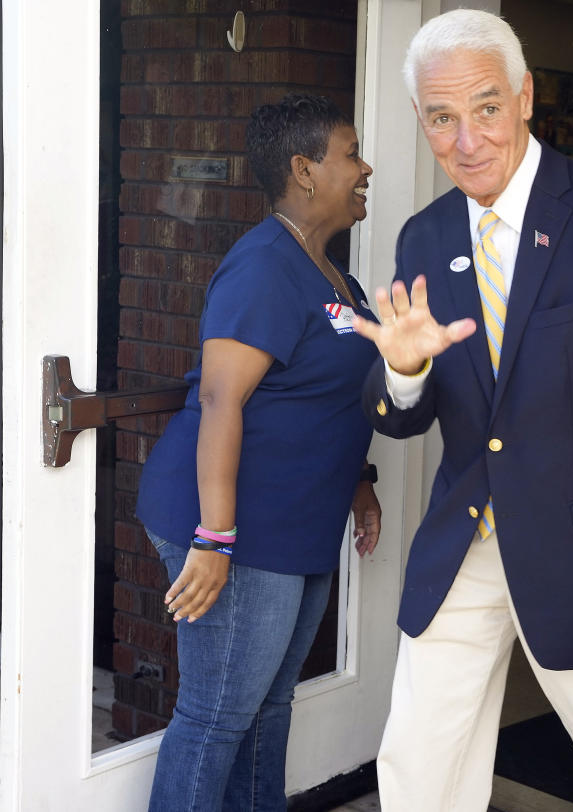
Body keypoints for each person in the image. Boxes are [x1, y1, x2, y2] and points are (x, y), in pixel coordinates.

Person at [351, 9, 573, 812]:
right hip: (465, 546)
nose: (466, 139)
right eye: (443, 118)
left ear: (525, 98)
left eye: (484, 107)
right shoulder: (424, 236)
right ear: (422, 123)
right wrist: (402, 370)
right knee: (417, 768)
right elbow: (402, 415)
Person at [136, 94, 381, 812]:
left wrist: (360, 481)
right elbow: (221, 400)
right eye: (351, 153)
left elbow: (327, 393)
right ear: (305, 170)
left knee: (269, 708)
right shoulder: (265, 266)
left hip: (297, 522)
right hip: (236, 525)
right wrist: (213, 539)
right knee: (215, 718)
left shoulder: (334, 275)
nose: (366, 169)